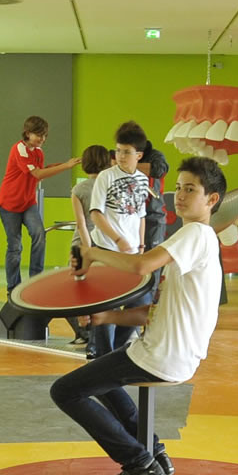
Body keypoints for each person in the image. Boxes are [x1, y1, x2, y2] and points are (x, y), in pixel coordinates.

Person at [50, 156, 227, 475]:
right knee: (98, 376)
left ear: (212, 199)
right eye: (178, 188)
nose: (180, 195)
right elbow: (154, 312)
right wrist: (107, 318)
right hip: (167, 353)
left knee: (65, 391)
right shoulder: (197, 242)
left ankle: (138, 463)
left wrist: (94, 253)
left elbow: (141, 264)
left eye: (190, 189)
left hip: (161, 356)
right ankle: (155, 453)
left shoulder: (196, 233)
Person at [87, 122, 153, 357]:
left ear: (139, 155)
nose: (121, 156)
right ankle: (102, 355)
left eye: (127, 152)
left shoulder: (144, 180)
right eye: (118, 151)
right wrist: (117, 238)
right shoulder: (106, 176)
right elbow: (96, 213)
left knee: (140, 301)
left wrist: (141, 245)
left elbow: (141, 215)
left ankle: (117, 350)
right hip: (107, 249)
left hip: (133, 254)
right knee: (108, 304)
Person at [0, 116, 79, 291]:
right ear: (27, 133)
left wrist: (66, 163)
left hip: (28, 203)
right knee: (15, 247)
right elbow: (37, 175)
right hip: (9, 204)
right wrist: (66, 167)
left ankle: (35, 281)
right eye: (38, 135)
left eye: (45, 135)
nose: (42, 139)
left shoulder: (38, 151)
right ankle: (13, 288)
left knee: (39, 234)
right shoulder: (19, 149)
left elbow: (41, 170)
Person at [65, 144, 114, 348]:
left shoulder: (79, 189)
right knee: (102, 294)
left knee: (74, 292)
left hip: (82, 244)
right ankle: (99, 339)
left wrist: (87, 248)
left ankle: (83, 334)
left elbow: (81, 223)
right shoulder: (110, 186)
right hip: (107, 243)